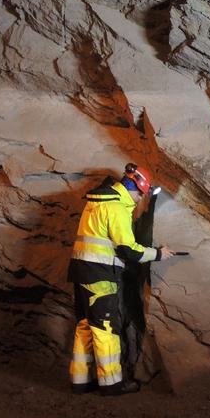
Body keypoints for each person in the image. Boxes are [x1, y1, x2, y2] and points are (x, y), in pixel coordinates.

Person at [68, 163, 174, 395]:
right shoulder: (116, 207)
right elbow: (129, 250)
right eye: (139, 195)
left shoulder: (98, 201)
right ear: (132, 189)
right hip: (99, 274)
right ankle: (111, 384)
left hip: (81, 271)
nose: (139, 200)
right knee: (105, 327)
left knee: (85, 326)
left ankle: (80, 380)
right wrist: (158, 254)